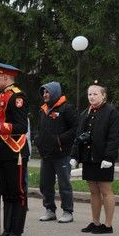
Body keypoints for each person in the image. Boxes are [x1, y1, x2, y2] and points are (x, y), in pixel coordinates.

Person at [70, 83, 119, 234]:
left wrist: (109, 156)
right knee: (93, 190)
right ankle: (95, 222)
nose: (91, 97)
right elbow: (79, 136)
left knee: (105, 190)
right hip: (88, 157)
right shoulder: (85, 113)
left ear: (104, 95)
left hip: (103, 158)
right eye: (89, 94)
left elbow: (114, 137)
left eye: (95, 94)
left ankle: (108, 225)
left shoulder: (112, 113)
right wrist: (74, 155)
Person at [0, 61, 29, 236]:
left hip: (15, 151)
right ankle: (7, 230)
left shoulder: (17, 97)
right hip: (3, 151)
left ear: (5, 77)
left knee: (17, 192)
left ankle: (16, 232)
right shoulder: (1, 96)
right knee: (5, 192)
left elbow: (21, 126)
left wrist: (1, 126)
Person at [35, 81, 78, 223]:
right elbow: (40, 129)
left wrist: (60, 140)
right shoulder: (42, 110)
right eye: (44, 92)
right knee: (45, 184)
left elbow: (75, 128)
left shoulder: (67, 108)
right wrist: (38, 140)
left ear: (55, 92)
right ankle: (50, 210)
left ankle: (67, 211)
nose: (45, 95)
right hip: (46, 154)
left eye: (47, 92)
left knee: (64, 184)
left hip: (62, 154)